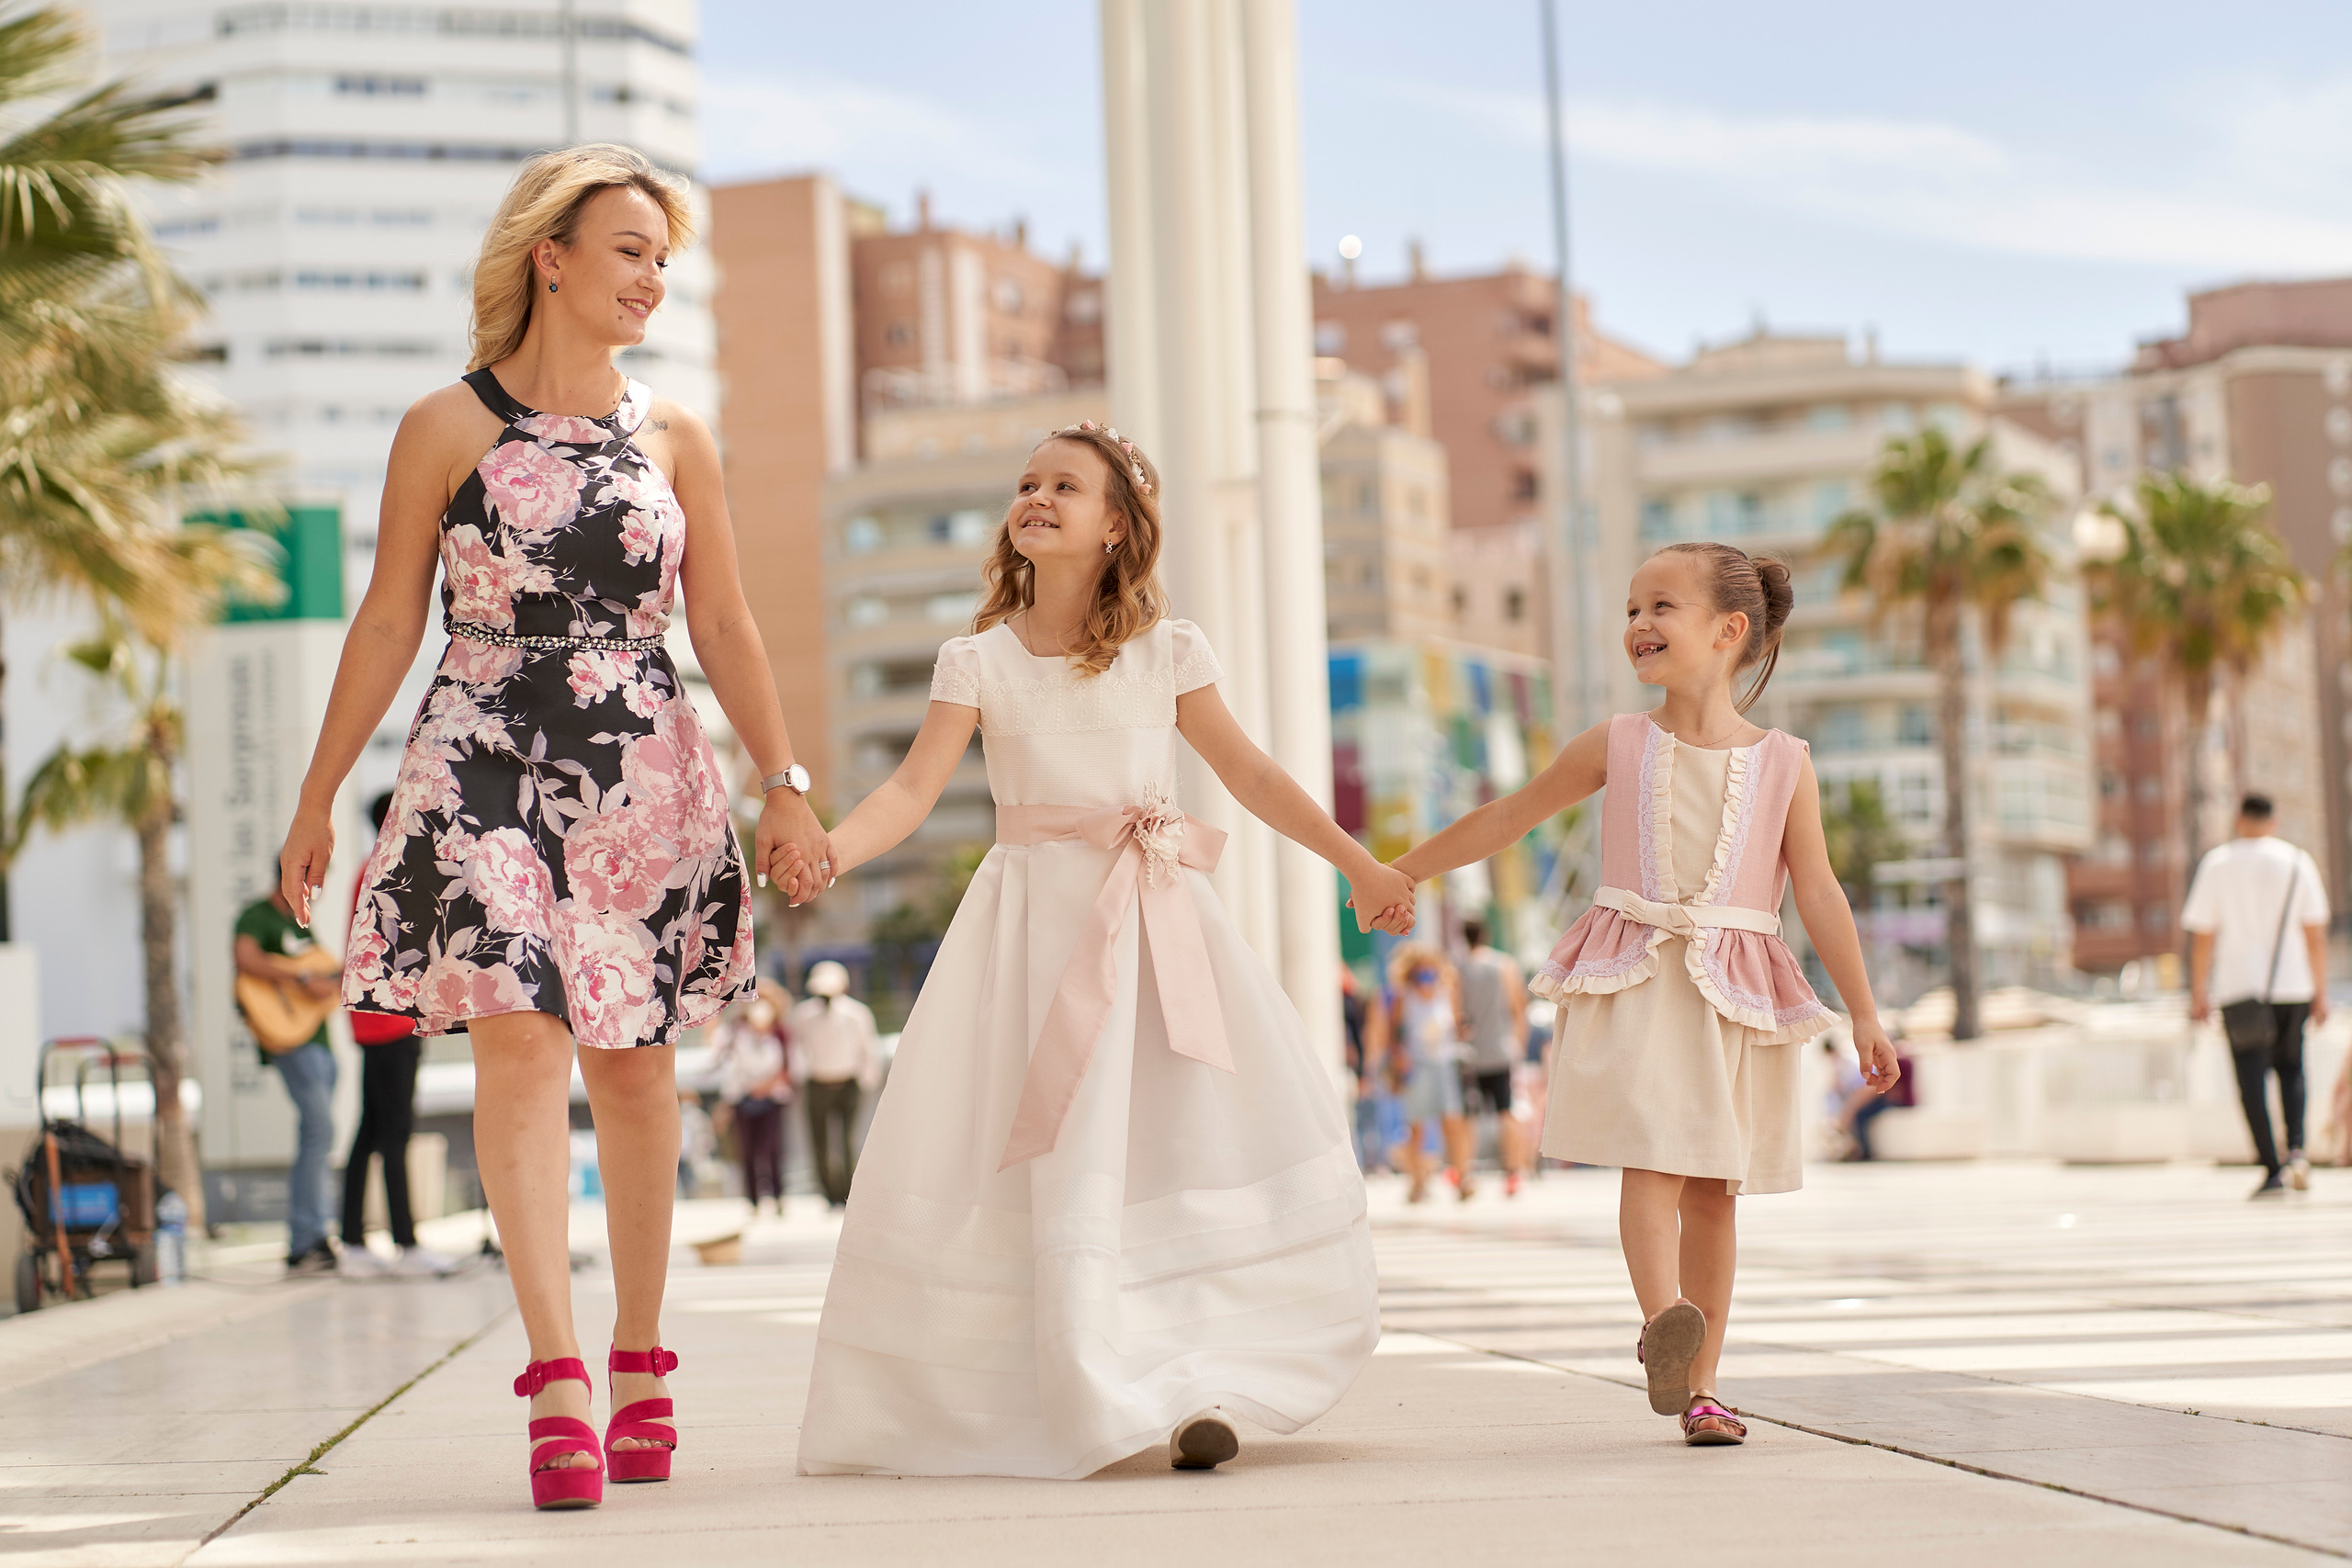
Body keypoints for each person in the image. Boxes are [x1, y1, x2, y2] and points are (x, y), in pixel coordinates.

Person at [274, 145, 829, 1512]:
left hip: (641, 763)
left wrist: (788, 774)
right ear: (553, 257)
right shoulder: (444, 426)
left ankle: (643, 1351)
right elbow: (391, 618)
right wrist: (314, 793)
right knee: (518, 1030)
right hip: (478, 750)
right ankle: (560, 1374)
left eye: (662, 256)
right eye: (630, 248)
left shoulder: (677, 437)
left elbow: (728, 621)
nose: (651, 277)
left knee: (634, 1068)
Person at [785, 419, 1415, 1480]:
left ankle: (1195, 1382)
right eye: (1026, 483)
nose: (1035, 497)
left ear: (1117, 526)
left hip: (1160, 932)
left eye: (1064, 486)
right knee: (1057, 1159)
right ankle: (1085, 1376)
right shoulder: (973, 660)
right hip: (1027, 937)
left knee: (1177, 1145)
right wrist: (831, 853)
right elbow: (908, 790)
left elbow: (1251, 774)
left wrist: (1356, 863)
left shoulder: (1169, 652)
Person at [1390, 542, 1898, 1447]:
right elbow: (1507, 818)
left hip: (1735, 988)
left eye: (1660, 607)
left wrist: (1862, 1009)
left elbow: (1816, 889)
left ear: (1728, 630)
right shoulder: (1617, 742)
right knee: (1653, 1165)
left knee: (1714, 1192)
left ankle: (1701, 1388)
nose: (1638, 626)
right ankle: (1664, 1319)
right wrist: (1397, 871)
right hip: (1638, 976)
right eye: (1630, 610)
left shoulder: (1785, 762)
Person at [2185, 793, 2330, 1199]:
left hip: (2239, 988)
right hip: (2293, 986)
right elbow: (2316, 935)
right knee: (2292, 1068)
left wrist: (2199, 992)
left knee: (2251, 1080)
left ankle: (2271, 1168)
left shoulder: (2217, 864)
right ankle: (2298, 1150)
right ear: (2274, 821)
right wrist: (2320, 992)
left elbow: (2202, 938)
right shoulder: (2297, 862)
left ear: (2238, 819)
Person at [339, 791, 458, 1279]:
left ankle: (353, 1241)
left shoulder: (371, 869)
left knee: (371, 1130)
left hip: (379, 1019)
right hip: (391, 1020)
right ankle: (404, 1244)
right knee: (393, 1132)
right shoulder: (388, 870)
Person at [233, 882, 341, 1277]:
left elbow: (322, 978)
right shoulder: (257, 916)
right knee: (320, 1130)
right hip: (292, 1043)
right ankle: (307, 1239)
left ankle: (312, 1235)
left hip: (317, 1039)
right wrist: (298, 980)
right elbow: (246, 959)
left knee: (318, 1135)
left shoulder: (300, 925)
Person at [1384, 945, 1472, 1202]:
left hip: (1444, 1063)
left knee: (1453, 1122)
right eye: (1421, 974)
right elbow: (1395, 1033)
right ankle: (1417, 1181)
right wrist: (1399, 1061)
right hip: (1417, 1066)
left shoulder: (1448, 993)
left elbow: (1457, 1024)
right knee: (1417, 1126)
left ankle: (1462, 1177)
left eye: (1431, 973)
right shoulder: (1404, 997)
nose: (1426, 979)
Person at [789, 960, 879, 1210]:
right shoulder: (804, 1014)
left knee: (848, 1141)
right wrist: (799, 1080)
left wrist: (866, 1081)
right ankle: (828, 1193)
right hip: (817, 1083)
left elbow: (868, 1048)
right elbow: (797, 1048)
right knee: (820, 1141)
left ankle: (849, 1192)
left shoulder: (856, 1014)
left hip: (848, 1083)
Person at [1458, 918, 1532, 1196]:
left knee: (1469, 1116)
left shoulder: (1459, 967)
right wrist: (1518, 1044)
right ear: (1486, 934)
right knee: (1506, 1112)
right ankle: (1513, 1172)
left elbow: (1456, 1011)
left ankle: (1464, 1174)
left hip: (1471, 1052)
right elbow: (1517, 1008)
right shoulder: (1505, 965)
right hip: (1500, 1049)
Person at [712, 989, 791, 1213]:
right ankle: (753, 1200)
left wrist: (766, 1087)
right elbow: (727, 1065)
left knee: (773, 1149)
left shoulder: (780, 1035)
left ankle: (778, 1196)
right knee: (747, 1151)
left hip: (772, 1098)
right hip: (743, 1098)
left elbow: (787, 1066)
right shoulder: (735, 1034)